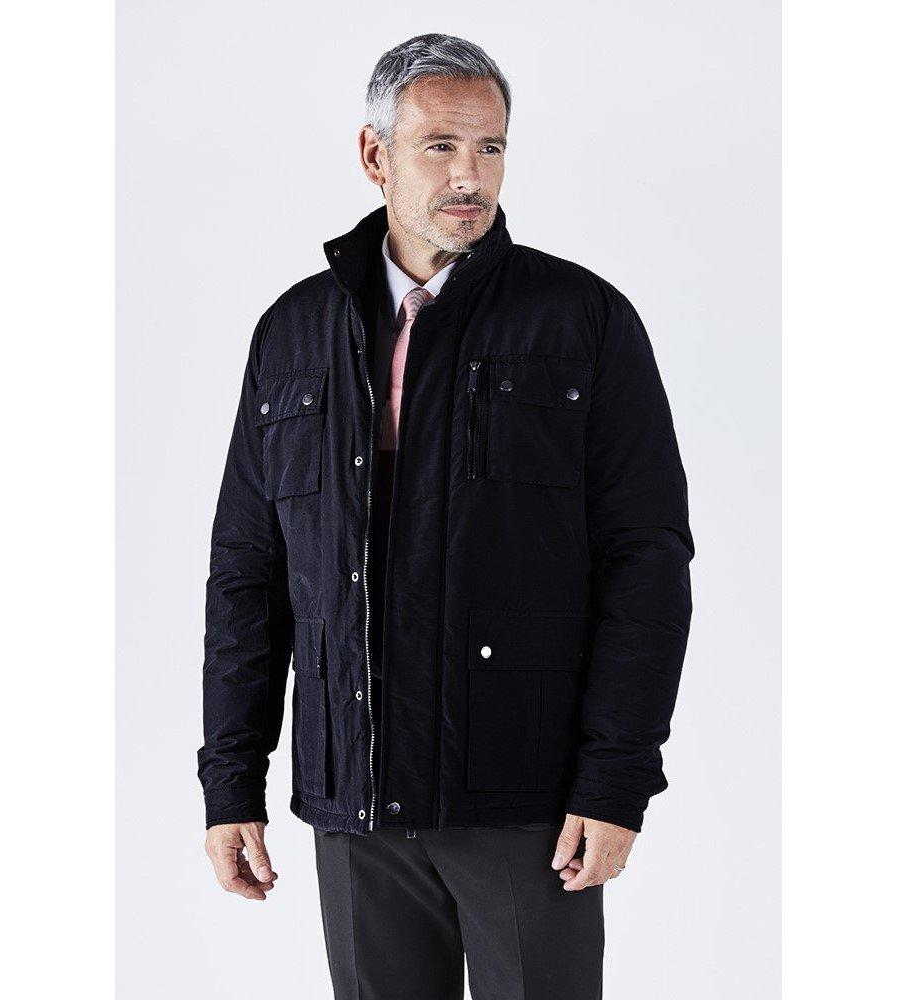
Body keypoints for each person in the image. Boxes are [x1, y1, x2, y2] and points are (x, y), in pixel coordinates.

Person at [198, 32, 693, 1000]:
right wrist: (230, 783)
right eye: (440, 146)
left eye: (490, 146)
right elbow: (248, 573)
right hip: (353, 799)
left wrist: (615, 779)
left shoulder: (580, 319)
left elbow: (646, 561)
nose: (471, 174)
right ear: (374, 155)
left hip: (525, 799)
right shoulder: (294, 330)